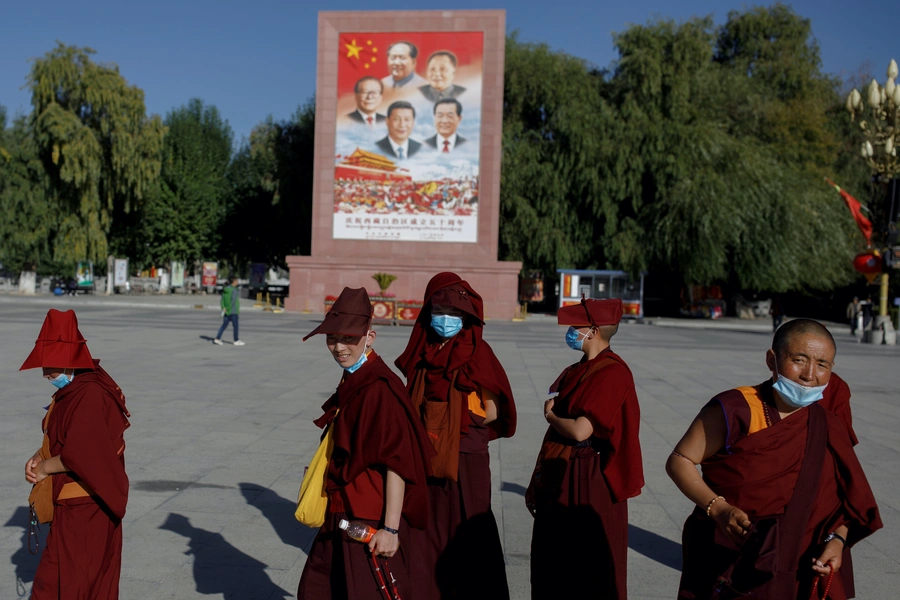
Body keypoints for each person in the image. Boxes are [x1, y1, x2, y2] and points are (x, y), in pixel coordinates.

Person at [667, 319, 881, 599]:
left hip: (801, 560)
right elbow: (680, 459)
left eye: (822, 365)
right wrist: (718, 509)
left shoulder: (827, 424)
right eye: (799, 359)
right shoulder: (737, 408)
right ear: (772, 360)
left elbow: (842, 498)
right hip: (733, 549)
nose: (810, 374)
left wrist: (838, 540)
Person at [297, 287, 435, 599]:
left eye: (348, 338)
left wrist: (390, 529)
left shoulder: (380, 388)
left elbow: (397, 463)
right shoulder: (355, 376)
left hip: (367, 516)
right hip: (342, 508)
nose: (338, 347)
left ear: (369, 337)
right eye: (332, 338)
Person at [395, 272, 517, 600]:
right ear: (428, 313)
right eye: (439, 313)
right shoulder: (424, 349)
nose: (446, 320)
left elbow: (492, 411)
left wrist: (454, 420)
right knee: (427, 525)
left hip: (466, 454)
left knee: (469, 527)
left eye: (454, 315)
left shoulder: (477, 352)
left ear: (466, 318)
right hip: (426, 452)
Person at [526, 297, 644, 600]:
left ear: (592, 331)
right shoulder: (577, 368)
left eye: (575, 327)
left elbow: (580, 430)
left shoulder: (613, 372)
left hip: (589, 477)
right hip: (563, 472)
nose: (570, 332)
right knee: (554, 565)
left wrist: (551, 415)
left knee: (586, 568)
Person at [21, 309, 130, 599]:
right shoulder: (78, 385)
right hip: (79, 503)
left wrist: (45, 469)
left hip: (86, 506)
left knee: (67, 583)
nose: (46, 375)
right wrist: (39, 456)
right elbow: (65, 435)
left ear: (70, 362)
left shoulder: (90, 393)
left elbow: (82, 453)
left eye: (51, 369)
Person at [213, 276, 244, 346]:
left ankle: (217, 338)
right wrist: (229, 308)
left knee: (224, 325)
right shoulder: (234, 290)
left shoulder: (225, 289)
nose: (238, 282)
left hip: (226, 311)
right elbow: (233, 301)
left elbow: (222, 300)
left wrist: (224, 308)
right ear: (234, 282)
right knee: (235, 326)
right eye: (237, 281)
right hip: (233, 311)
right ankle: (236, 340)